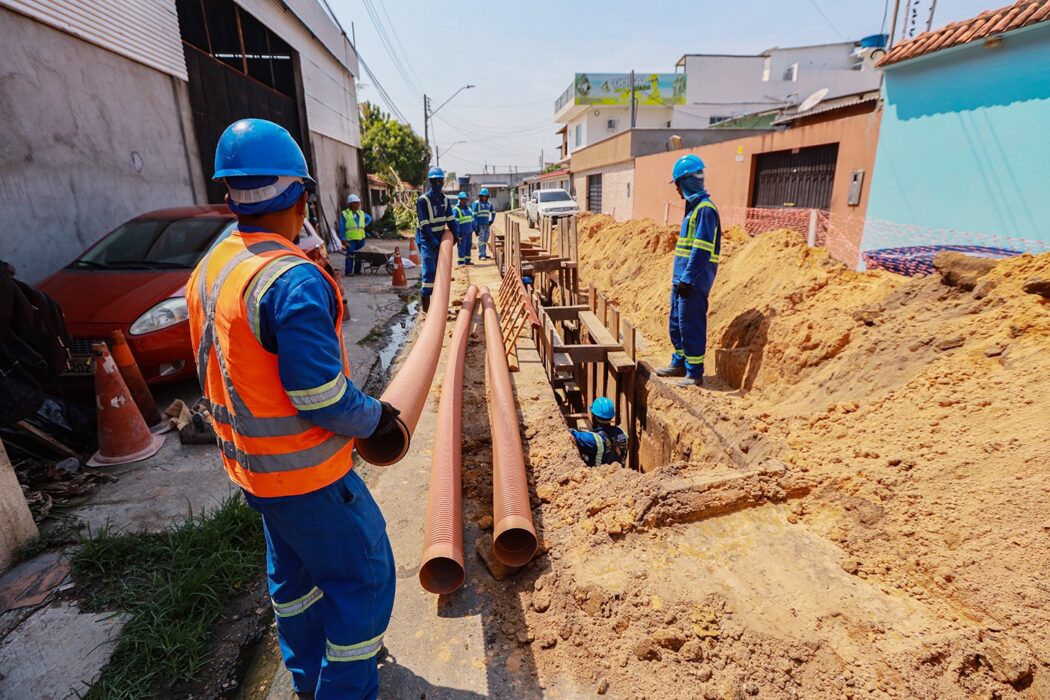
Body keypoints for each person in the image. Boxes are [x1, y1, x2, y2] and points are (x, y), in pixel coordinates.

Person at [186, 118, 401, 700]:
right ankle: (345, 689)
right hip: (308, 475)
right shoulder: (292, 280)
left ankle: (307, 681)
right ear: (301, 195)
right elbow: (322, 397)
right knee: (365, 579)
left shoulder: (214, 264)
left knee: (297, 582)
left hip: (255, 472)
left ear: (231, 195)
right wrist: (377, 418)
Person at [655, 154, 721, 388]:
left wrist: (688, 278)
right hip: (682, 279)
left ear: (686, 182)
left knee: (691, 324)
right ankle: (680, 362)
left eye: (678, 186)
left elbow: (701, 250)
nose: (677, 192)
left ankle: (694, 372)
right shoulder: (692, 209)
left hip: (693, 281)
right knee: (677, 323)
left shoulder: (705, 210)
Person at [415, 167, 456, 312]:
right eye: (435, 181)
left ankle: (438, 305)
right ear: (430, 182)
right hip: (426, 240)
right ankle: (426, 306)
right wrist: (432, 240)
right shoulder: (423, 200)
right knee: (430, 271)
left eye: (440, 181)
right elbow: (424, 223)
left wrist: (455, 235)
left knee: (442, 271)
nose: (438, 184)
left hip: (440, 239)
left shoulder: (445, 200)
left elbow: (450, 219)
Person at [570, 397, 627, 467]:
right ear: (612, 417)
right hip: (619, 474)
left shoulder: (594, 439)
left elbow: (572, 434)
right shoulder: (623, 433)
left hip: (599, 475)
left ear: (594, 416)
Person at [339, 194, 371, 276]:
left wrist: (365, 224)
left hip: (361, 238)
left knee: (359, 255)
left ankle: (357, 270)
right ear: (351, 204)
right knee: (350, 254)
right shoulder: (345, 213)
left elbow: (369, 218)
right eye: (357, 203)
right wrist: (342, 238)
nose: (359, 204)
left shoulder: (361, 213)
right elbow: (342, 226)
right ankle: (348, 271)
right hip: (350, 238)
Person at [452, 191, 476, 266]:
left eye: (465, 199)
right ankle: (461, 261)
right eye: (462, 199)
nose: (464, 201)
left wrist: (475, 229)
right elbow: (456, 222)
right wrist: (457, 232)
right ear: (459, 200)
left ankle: (467, 260)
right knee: (462, 246)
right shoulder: (456, 209)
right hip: (461, 232)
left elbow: (472, 220)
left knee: (468, 246)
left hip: (469, 231)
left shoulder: (469, 209)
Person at [471, 188, 495, 260]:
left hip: (487, 225)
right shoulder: (476, 203)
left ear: (487, 196)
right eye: (482, 196)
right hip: (480, 225)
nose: (484, 197)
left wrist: (492, 220)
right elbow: (474, 216)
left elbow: (493, 212)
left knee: (485, 239)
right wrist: (475, 227)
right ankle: (481, 255)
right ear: (480, 196)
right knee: (481, 240)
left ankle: (484, 253)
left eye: (485, 196)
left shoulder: (489, 203)